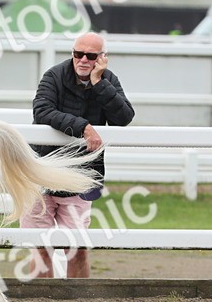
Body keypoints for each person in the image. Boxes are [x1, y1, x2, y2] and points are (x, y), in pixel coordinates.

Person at [23, 32, 135, 278]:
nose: (83, 60)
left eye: (91, 55)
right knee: (40, 247)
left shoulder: (108, 80)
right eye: (78, 53)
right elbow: (41, 111)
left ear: (102, 58)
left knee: (77, 247)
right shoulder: (54, 76)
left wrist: (99, 83)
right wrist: (84, 127)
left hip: (80, 174)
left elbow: (124, 117)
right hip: (43, 169)